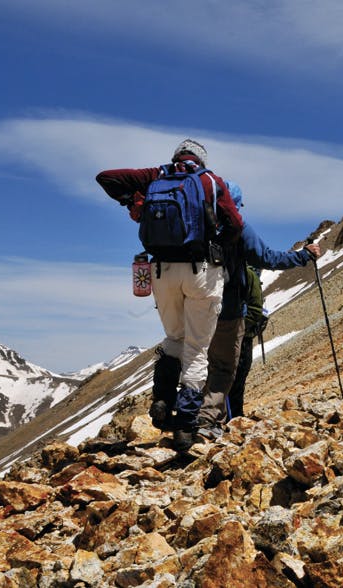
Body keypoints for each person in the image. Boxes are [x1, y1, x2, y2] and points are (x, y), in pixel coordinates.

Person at [95, 139, 243, 451]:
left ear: (176, 157)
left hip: (161, 271)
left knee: (173, 338)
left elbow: (106, 177)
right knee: (197, 349)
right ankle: (186, 425)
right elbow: (235, 223)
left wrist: (133, 204)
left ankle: (162, 399)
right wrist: (216, 238)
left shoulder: (156, 176)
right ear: (200, 160)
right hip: (201, 271)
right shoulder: (210, 181)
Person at [196, 181, 320, 439]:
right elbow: (268, 258)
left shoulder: (194, 226)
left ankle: (190, 414)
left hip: (193, 306)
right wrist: (304, 256)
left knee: (197, 364)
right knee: (226, 370)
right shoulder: (238, 228)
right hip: (228, 311)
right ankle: (214, 422)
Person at [226, 264, 267, 422]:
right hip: (243, 336)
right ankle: (235, 415)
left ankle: (225, 413)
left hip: (224, 332)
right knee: (239, 375)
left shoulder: (232, 270)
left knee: (226, 375)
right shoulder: (251, 274)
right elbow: (256, 310)